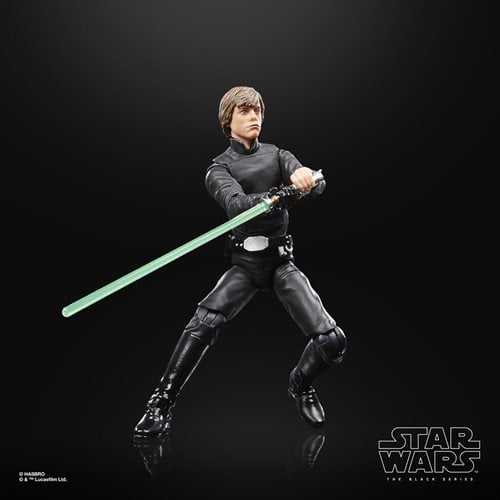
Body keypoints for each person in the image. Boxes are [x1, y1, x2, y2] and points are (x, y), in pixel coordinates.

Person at [134, 86, 346, 438]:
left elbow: (310, 181)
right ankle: (161, 402)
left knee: (332, 341)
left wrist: (304, 177)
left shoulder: (278, 155)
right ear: (227, 119)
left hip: (280, 262)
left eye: (257, 110)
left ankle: (301, 384)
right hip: (245, 265)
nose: (254, 117)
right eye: (245, 111)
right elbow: (236, 205)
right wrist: (275, 197)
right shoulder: (219, 168)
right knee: (202, 322)